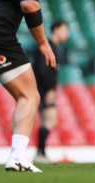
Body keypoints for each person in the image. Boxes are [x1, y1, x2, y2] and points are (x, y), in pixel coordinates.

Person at [0, 0, 56, 172]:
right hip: (0, 35)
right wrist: (43, 43)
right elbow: (30, 5)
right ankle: (18, 157)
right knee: (29, 95)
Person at [33, 20, 69, 163]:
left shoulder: (53, 47)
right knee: (50, 120)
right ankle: (40, 152)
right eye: (65, 30)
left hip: (43, 89)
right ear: (56, 29)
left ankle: (41, 152)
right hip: (43, 90)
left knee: (46, 121)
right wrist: (49, 89)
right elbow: (41, 69)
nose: (67, 34)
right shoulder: (47, 47)